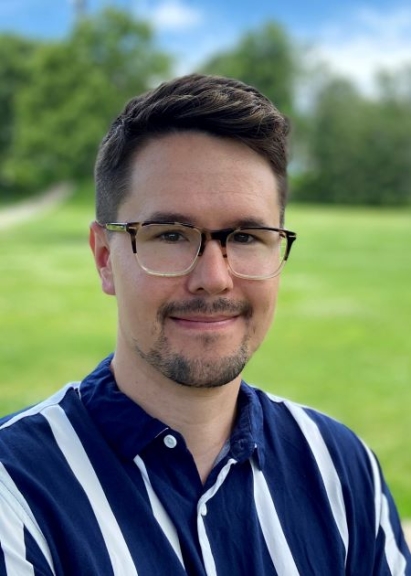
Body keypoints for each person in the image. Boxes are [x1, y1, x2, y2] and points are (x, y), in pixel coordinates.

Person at [0, 74, 409, 576]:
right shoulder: (14, 490)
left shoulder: (344, 471)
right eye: (171, 234)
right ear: (105, 258)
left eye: (245, 235)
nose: (213, 279)